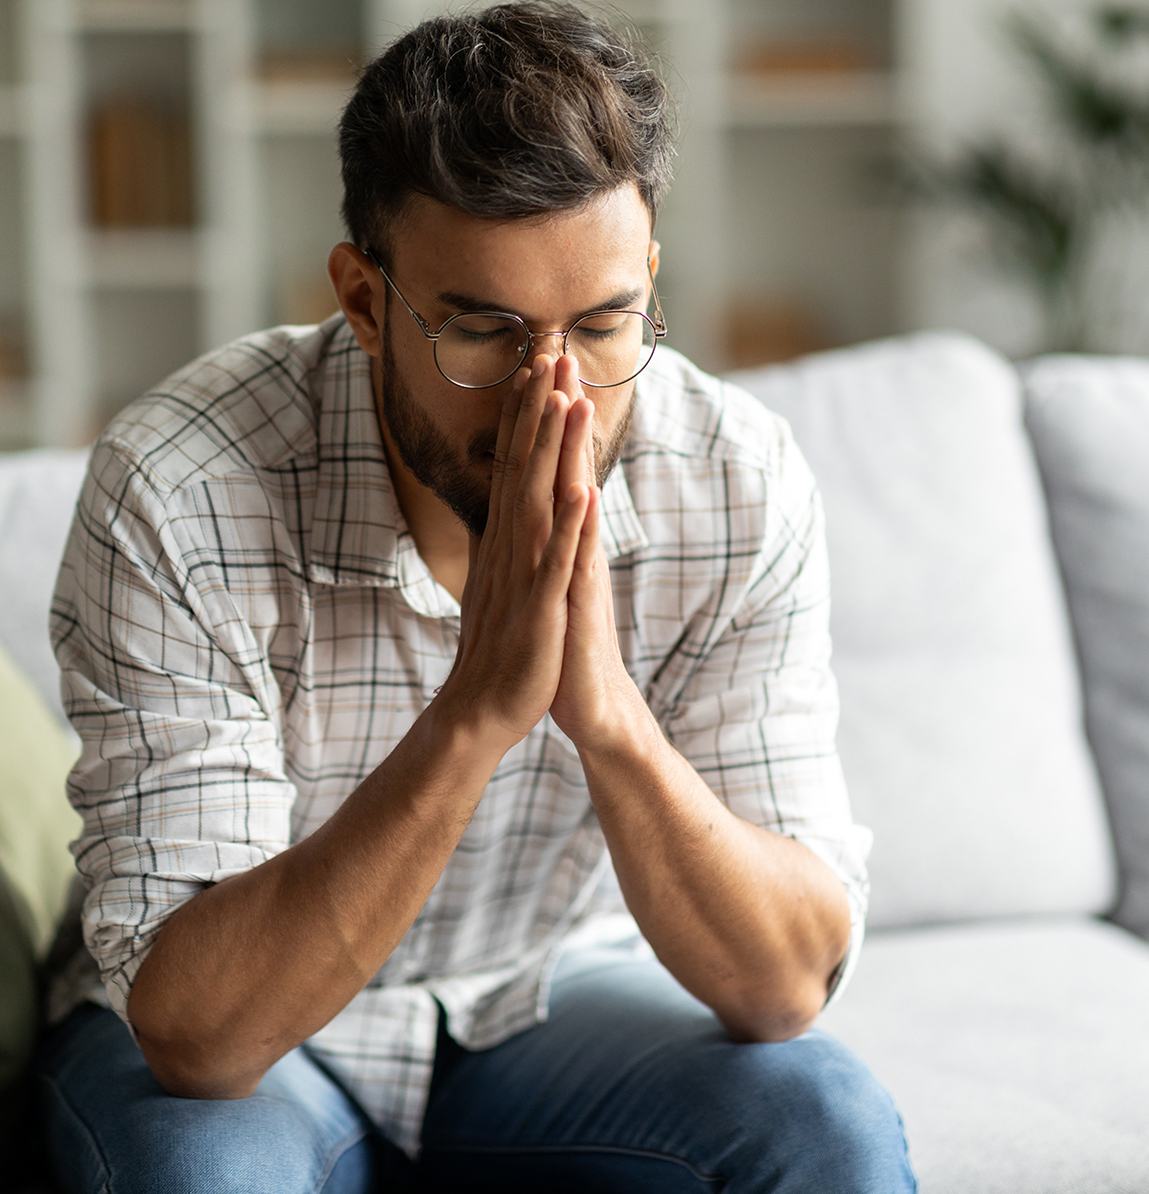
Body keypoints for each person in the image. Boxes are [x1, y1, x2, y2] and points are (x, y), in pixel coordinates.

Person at [36, 4, 915, 1191]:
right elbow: (204, 1038)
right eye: (482, 333)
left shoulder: (733, 477)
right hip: (263, 1036)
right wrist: (475, 716)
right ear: (361, 298)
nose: (549, 398)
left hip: (541, 994)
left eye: (602, 325)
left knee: (824, 1124)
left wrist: (603, 717)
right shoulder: (179, 484)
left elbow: (783, 985)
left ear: (646, 275)